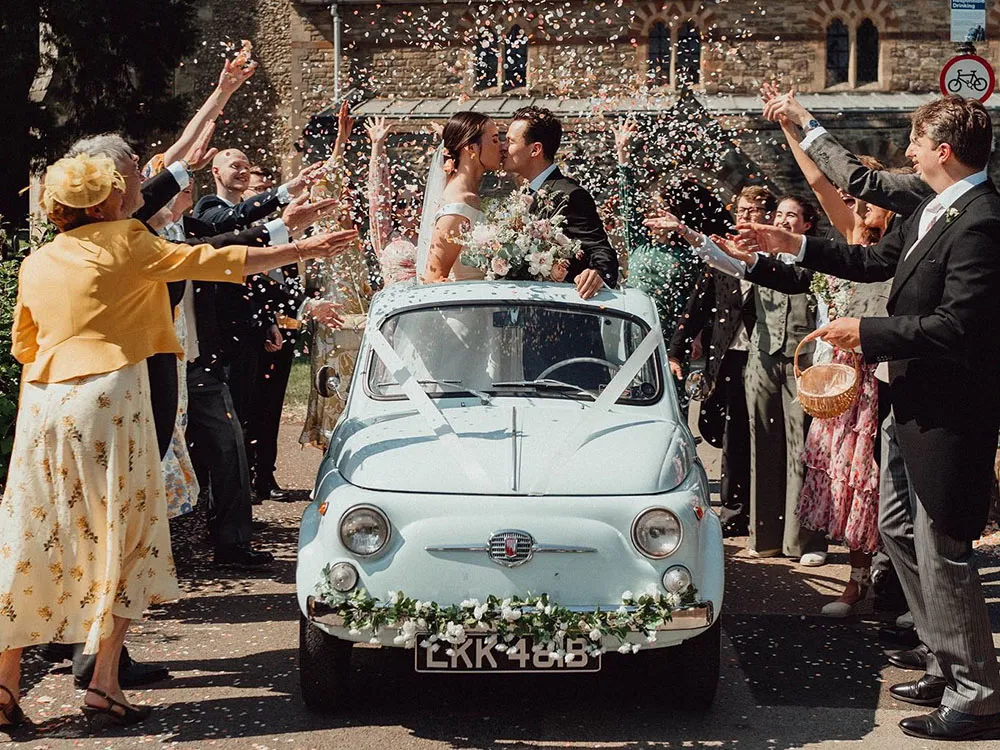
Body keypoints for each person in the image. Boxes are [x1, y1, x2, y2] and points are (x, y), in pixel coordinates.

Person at [0, 153, 356, 733]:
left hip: (42, 402)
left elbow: (24, 343)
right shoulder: (128, 242)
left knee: (33, 531)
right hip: (111, 394)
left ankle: (5, 681)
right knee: (122, 531)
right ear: (106, 202)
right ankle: (103, 682)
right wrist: (299, 250)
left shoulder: (38, 260)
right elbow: (211, 260)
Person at [738, 95, 1000, 741]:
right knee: (898, 531)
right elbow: (874, 263)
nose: (906, 154)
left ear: (941, 150)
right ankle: (943, 660)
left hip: (948, 413)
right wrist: (794, 244)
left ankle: (978, 692)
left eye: (914, 143)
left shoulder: (981, 221)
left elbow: (957, 328)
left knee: (943, 551)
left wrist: (869, 331)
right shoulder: (937, 210)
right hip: (907, 405)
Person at [650, 189, 828, 565]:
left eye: (790, 216)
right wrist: (686, 231)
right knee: (761, 443)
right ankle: (765, 536)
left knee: (802, 448)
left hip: (802, 359)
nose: (781, 221)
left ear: (807, 225)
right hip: (761, 358)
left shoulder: (816, 260)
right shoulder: (760, 258)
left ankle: (804, 540)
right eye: (778, 215)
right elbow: (722, 263)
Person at [501, 105, 619, 297]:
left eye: (510, 141)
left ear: (535, 149)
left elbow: (601, 251)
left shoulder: (570, 195)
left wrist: (596, 274)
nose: (503, 147)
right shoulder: (523, 192)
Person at [610, 117, 700, 339]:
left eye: (662, 209)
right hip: (634, 328)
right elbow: (627, 201)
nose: (654, 213)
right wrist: (624, 157)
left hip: (670, 335)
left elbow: (694, 299)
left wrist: (694, 336)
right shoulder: (639, 245)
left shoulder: (687, 254)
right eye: (651, 209)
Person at [365, 116, 418, 285]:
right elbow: (377, 195)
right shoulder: (386, 235)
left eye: (415, 203)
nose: (409, 208)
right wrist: (377, 146)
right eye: (402, 204)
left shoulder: (432, 235)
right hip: (396, 303)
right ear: (394, 210)